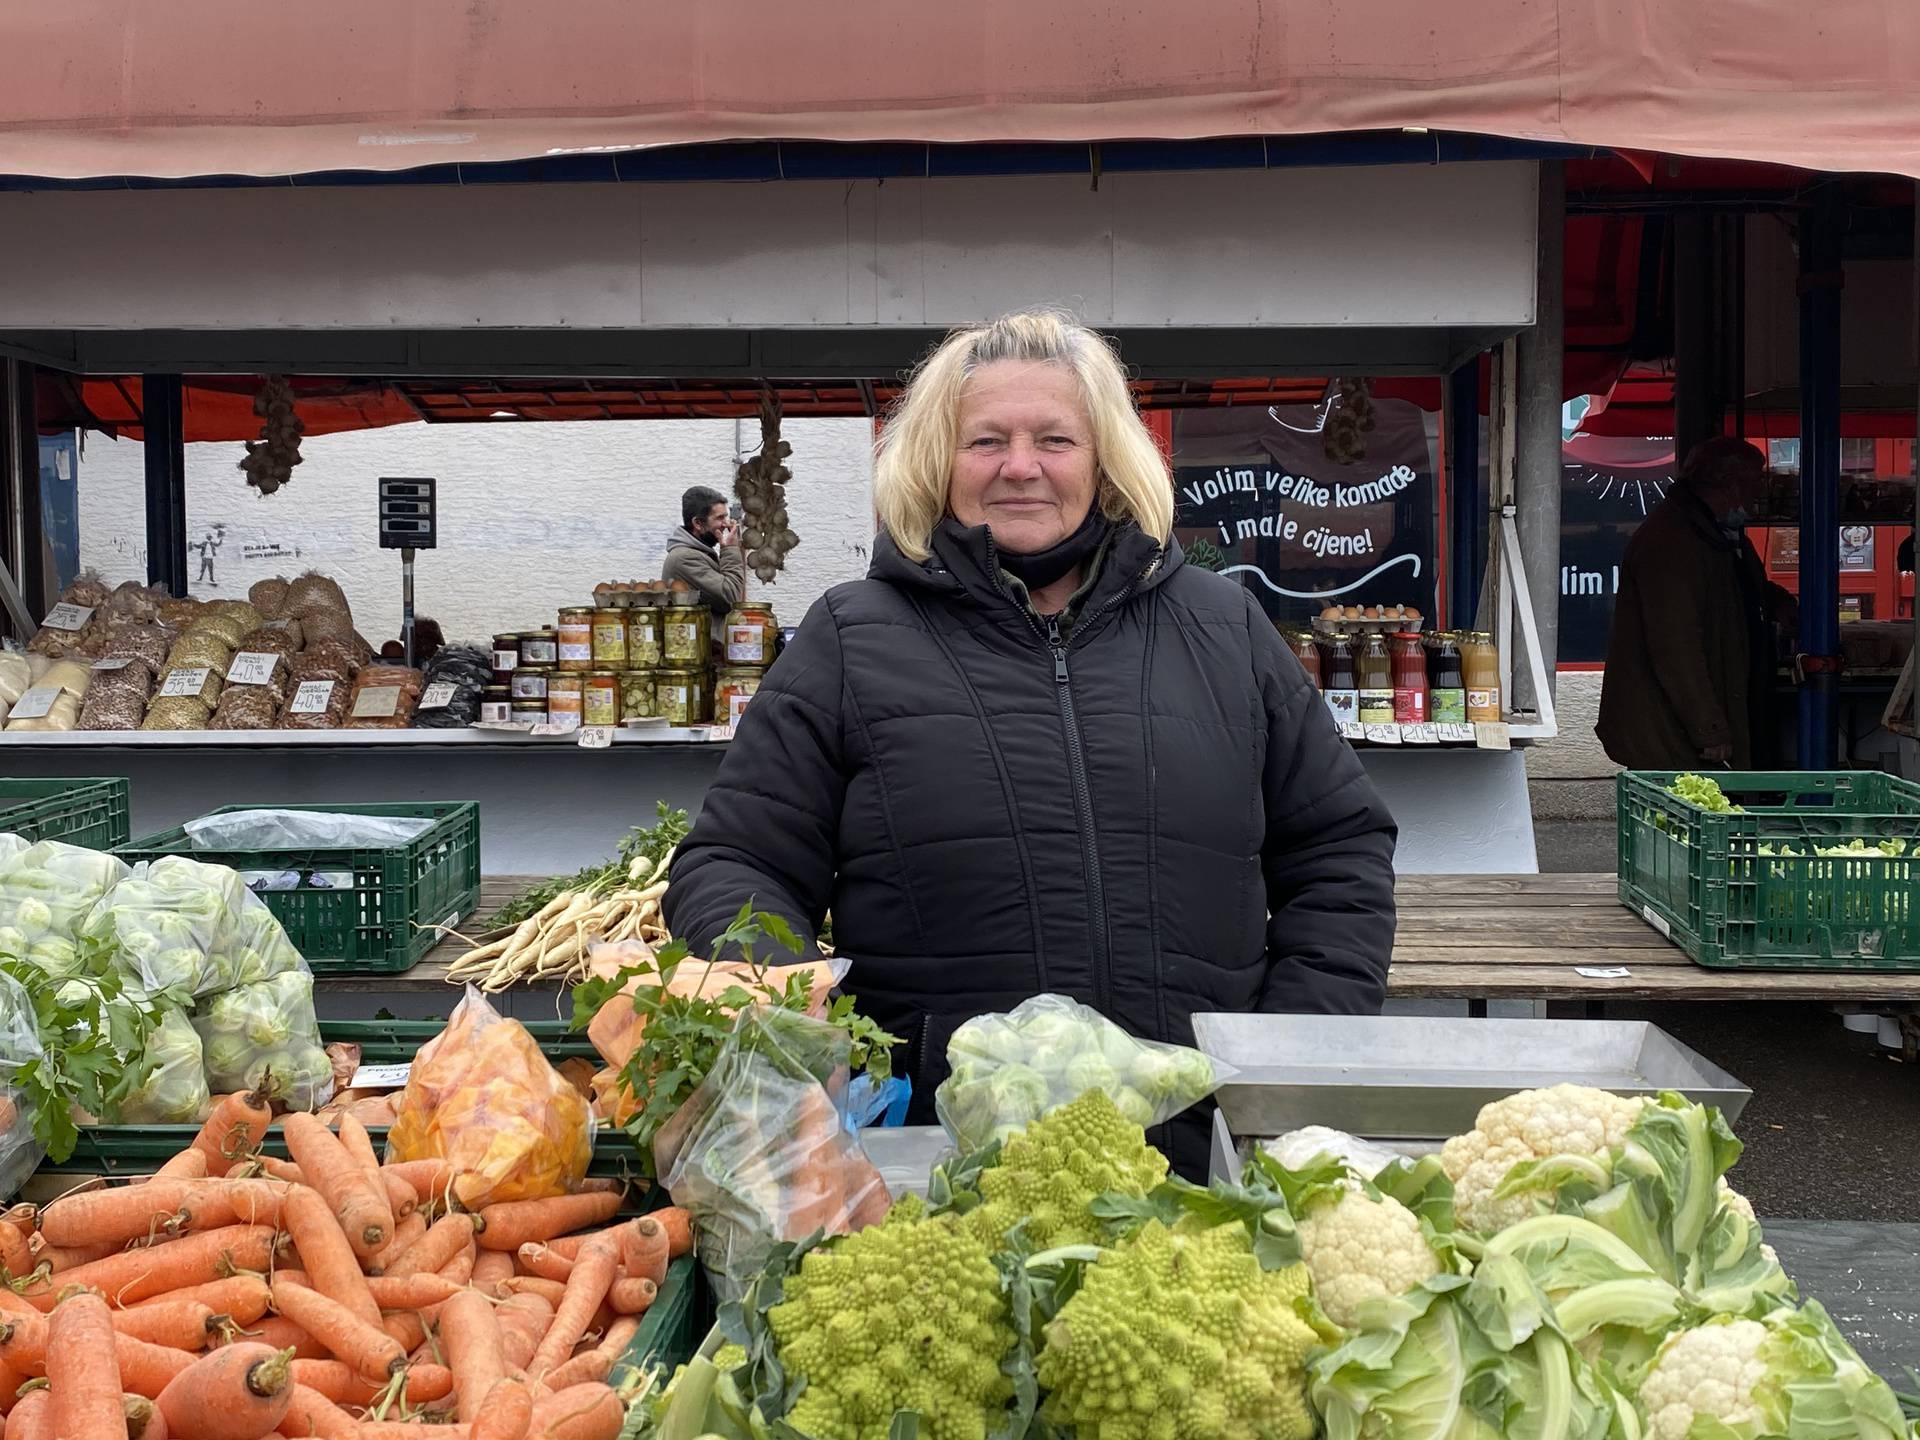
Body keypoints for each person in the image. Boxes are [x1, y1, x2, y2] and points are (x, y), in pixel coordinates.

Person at [663, 310, 1398, 1173]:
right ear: (939, 461)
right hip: (942, 1160)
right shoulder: (851, 638)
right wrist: (787, 1014)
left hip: (1202, 1154)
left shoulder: (1222, 626)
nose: (1021, 467)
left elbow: (1339, 848)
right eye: (985, 441)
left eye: (1055, 438)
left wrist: (1282, 1055)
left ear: (1104, 459)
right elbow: (732, 865)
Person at [1597, 437, 1789, 769]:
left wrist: (1780, 603)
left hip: (1680, 728)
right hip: (1667, 734)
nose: (1760, 492)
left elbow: (1735, 591)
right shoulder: (1674, 540)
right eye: (1756, 480)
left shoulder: (1711, 533)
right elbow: (1675, 645)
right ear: (1728, 484)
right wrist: (1709, 728)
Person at [662, 485, 747, 619]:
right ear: (698, 523)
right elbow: (731, 599)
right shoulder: (685, 558)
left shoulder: (700, 553)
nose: (726, 524)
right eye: (719, 518)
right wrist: (730, 549)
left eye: (726, 516)